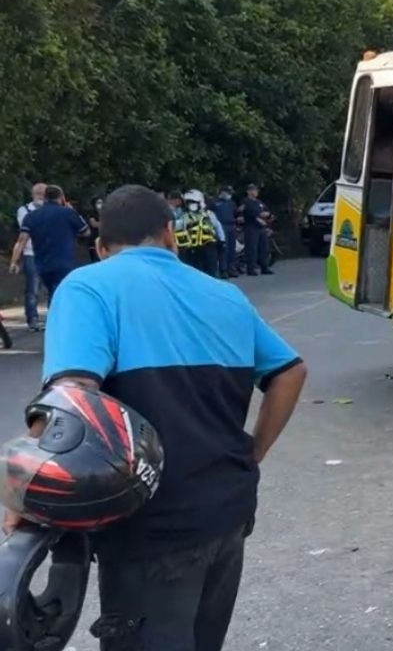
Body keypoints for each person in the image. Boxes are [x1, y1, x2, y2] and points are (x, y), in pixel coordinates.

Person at [4, 185, 307, 651]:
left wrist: (23, 495)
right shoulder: (224, 295)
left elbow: (72, 397)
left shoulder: (89, 286)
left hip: (150, 529)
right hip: (228, 514)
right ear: (171, 234)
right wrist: (253, 452)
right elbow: (290, 371)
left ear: (101, 247)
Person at [8, 185, 89, 300]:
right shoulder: (68, 213)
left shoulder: (31, 216)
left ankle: (47, 314)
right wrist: (72, 211)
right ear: (61, 197)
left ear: (45, 197)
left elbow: (21, 240)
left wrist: (14, 261)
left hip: (42, 261)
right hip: (64, 260)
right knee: (61, 293)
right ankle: (57, 315)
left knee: (50, 291)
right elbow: (86, 232)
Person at [14, 183, 45, 331]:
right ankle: (32, 319)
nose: (40, 196)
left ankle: (53, 319)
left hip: (47, 253)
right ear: (32, 194)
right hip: (30, 253)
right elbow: (25, 229)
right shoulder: (24, 210)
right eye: (37, 193)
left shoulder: (52, 210)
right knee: (32, 289)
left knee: (51, 287)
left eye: (43, 193)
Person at [176, 189, 221, 277]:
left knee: (211, 271)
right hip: (191, 249)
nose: (191, 205)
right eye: (188, 202)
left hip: (208, 246)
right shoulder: (184, 216)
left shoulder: (208, 214)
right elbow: (177, 227)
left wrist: (222, 240)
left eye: (193, 202)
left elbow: (217, 226)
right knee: (195, 272)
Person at [241, 183, 273, 276]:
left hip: (261, 228)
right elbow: (249, 212)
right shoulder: (245, 202)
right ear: (248, 191)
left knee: (264, 248)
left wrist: (267, 214)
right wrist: (259, 214)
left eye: (256, 190)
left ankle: (264, 267)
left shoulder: (259, 202)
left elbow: (267, 211)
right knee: (252, 249)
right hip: (251, 227)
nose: (255, 192)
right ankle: (251, 268)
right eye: (253, 190)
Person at [211, 186, 239, 278]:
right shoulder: (215, 202)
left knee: (232, 248)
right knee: (224, 248)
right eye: (227, 192)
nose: (228, 195)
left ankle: (232, 268)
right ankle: (223, 269)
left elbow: (236, 213)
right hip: (221, 226)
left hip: (231, 225)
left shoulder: (231, 203)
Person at [86, 195, 104, 263]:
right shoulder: (91, 213)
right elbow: (94, 224)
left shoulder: (106, 212)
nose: (100, 204)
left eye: (101, 202)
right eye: (98, 203)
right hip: (94, 239)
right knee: (95, 259)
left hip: (104, 238)